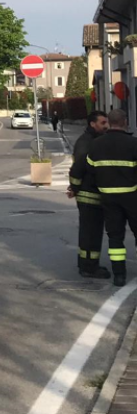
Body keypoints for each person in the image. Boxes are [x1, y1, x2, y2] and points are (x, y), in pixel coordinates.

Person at [87, 109, 137, 286]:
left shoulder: (96, 144)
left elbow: (90, 170)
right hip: (131, 196)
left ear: (109, 122)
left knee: (115, 237)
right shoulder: (133, 143)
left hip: (108, 197)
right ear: (124, 122)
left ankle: (119, 276)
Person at [68, 111, 110, 278]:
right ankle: (88, 267)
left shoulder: (92, 141)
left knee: (92, 232)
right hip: (89, 195)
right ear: (93, 124)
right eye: (102, 123)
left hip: (90, 193)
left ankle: (88, 264)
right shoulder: (86, 143)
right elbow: (78, 168)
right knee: (90, 234)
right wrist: (75, 187)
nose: (106, 126)